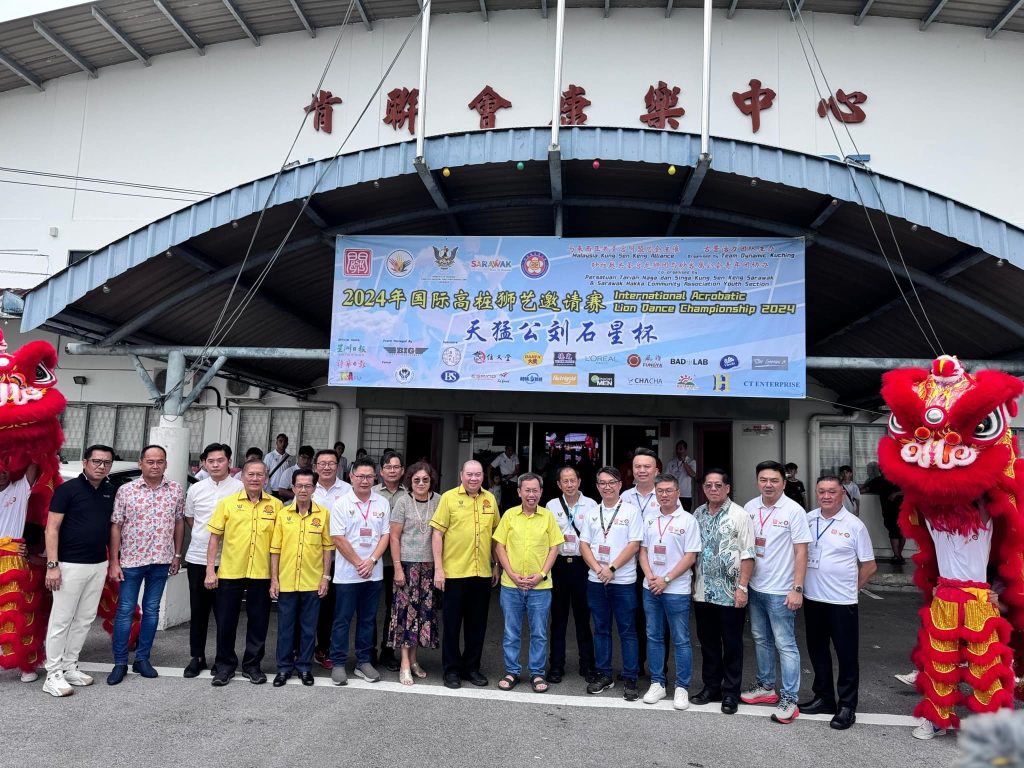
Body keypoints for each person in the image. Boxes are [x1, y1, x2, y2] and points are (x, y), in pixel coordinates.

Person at [798, 476, 877, 730]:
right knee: (817, 651)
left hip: (842, 603)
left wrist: (851, 589)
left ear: (842, 494)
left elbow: (869, 566)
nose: (826, 496)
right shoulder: (808, 519)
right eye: (821, 491)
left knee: (846, 656)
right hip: (813, 599)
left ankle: (847, 705)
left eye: (832, 491)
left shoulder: (854, 525)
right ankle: (823, 698)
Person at [106, 445, 185, 685]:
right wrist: (114, 561)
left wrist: (177, 555)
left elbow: (179, 522)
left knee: (152, 611)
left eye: (160, 461)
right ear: (141, 463)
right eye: (150, 461)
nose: (155, 466)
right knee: (125, 610)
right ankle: (120, 662)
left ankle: (142, 659)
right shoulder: (126, 491)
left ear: (166, 464)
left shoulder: (175, 490)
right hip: (131, 561)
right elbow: (116, 525)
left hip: (161, 560)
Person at [741, 460, 812, 724]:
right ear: (757, 481)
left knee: (786, 644)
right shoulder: (750, 507)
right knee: (761, 639)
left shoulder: (794, 511)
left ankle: (790, 699)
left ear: (784, 482)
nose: (768, 485)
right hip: (756, 587)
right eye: (763, 480)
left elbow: (801, 552)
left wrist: (797, 588)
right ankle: (766, 686)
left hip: (781, 591)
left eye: (774, 480)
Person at [42, 445, 116, 697]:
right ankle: (52, 673)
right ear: (85, 462)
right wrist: (53, 566)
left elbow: (112, 529)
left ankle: (69, 665)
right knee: (61, 620)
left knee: (85, 619)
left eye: (106, 463)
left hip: (98, 564)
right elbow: (51, 528)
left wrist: (112, 562)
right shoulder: (67, 490)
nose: (101, 466)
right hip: (69, 565)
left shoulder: (110, 490)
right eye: (96, 461)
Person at [205, 458, 281, 686]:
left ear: (266, 478)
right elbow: (214, 539)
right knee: (226, 621)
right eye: (251, 474)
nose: (255, 479)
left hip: (261, 573)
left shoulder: (276, 506)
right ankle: (224, 666)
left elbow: (278, 545)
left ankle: (252, 665)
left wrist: (275, 578)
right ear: (242, 476)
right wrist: (210, 570)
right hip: (231, 571)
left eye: (260, 474)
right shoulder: (227, 504)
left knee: (259, 622)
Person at [430, 460, 500, 690]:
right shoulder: (448, 498)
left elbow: (495, 535)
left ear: (483, 477)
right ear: (461, 475)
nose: (473, 478)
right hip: (454, 573)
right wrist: (439, 568)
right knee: (452, 625)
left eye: (478, 474)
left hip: (482, 572)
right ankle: (451, 670)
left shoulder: (490, 499)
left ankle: (471, 667)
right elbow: (437, 534)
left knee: (477, 625)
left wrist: (496, 564)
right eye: (469, 474)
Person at [492, 473, 563, 693]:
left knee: (539, 633)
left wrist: (541, 574)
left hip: (540, 587)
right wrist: (511, 573)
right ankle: (512, 671)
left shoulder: (548, 517)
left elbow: (554, 547)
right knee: (511, 632)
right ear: (519, 492)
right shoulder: (509, 515)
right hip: (511, 585)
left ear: (541, 492)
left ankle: (537, 673)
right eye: (527, 490)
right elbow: (499, 546)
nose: (531, 494)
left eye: (535, 490)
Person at [579, 466, 644, 701]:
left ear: (619, 485)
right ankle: (604, 674)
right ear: (597, 486)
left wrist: (612, 568)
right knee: (601, 629)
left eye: (611, 482)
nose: (607, 487)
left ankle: (631, 678)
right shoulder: (592, 513)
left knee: (628, 630)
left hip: (623, 581)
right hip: (596, 580)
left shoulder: (631, 511)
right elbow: (584, 545)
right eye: (602, 483)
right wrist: (599, 569)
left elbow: (634, 545)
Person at [692, 469, 754, 715]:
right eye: (708, 485)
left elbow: (748, 554)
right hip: (702, 591)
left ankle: (730, 692)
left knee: (732, 644)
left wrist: (742, 587)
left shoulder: (740, 515)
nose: (713, 489)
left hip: (730, 593)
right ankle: (711, 687)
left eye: (718, 485)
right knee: (708, 643)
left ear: (727, 488)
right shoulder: (698, 514)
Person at [638, 474, 701, 709]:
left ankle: (682, 687)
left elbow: (690, 556)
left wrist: (666, 579)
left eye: (668, 490)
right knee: (654, 635)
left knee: (681, 639)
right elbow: (643, 551)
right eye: (660, 491)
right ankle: (658, 683)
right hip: (651, 587)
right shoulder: (649, 519)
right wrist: (650, 576)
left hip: (676, 589)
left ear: (677, 492)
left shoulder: (688, 520)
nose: (664, 495)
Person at [182, 442, 243, 678]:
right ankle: (197, 657)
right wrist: (204, 539)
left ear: (229, 462)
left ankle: (223, 659)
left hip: (229, 560)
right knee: (199, 610)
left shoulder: (240, 488)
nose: (215, 465)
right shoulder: (196, 489)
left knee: (226, 614)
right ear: (204, 464)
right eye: (210, 461)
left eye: (220, 460)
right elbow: (190, 519)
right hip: (198, 558)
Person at [328, 457, 390, 685]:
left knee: (368, 619)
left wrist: (371, 561)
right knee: (342, 620)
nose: (365, 480)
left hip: (373, 573)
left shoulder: (382, 502)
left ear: (375, 478)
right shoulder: (341, 503)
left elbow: (385, 535)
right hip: (347, 575)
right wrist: (358, 563)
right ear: (351, 477)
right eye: (360, 476)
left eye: (369, 476)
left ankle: (364, 662)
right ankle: (338, 662)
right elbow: (338, 538)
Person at [270, 467, 332, 687]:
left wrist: (325, 577)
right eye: (299, 486)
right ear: (293, 488)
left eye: (308, 486)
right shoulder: (283, 514)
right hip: (286, 581)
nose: (303, 490)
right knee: (285, 628)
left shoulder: (323, 514)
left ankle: (305, 667)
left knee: (308, 628)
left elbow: (327, 548)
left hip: (312, 582)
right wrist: (274, 579)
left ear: (314, 488)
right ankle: (284, 668)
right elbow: (275, 549)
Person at [387, 461, 440, 686]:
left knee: (421, 615)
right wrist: (397, 567)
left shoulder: (438, 501)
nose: (421, 483)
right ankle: (404, 664)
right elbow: (394, 537)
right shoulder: (402, 501)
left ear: (431, 481)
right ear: (410, 481)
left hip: (428, 566)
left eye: (425, 480)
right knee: (405, 615)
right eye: (416, 479)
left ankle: (415, 659)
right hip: (407, 566)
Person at [545, 465, 598, 683]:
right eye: (564, 481)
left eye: (572, 480)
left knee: (583, 617)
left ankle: (587, 665)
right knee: (558, 618)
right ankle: (556, 665)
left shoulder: (592, 505)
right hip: (558, 566)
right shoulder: (551, 505)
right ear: (559, 484)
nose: (569, 484)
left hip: (581, 565)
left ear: (579, 481)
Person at [0, 463, 42, 683]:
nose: (1, 474)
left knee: (17, 613)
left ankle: (26, 664)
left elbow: (34, 462)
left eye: (4, 469)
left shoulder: (19, 488)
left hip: (13, 561)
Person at [311, 448, 352, 670]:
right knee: (308, 607)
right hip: (310, 560)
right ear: (315, 466)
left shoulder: (348, 490)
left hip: (339, 561)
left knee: (331, 609)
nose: (327, 467)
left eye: (331, 463)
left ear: (338, 466)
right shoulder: (307, 488)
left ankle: (324, 648)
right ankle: (302, 649)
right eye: (322, 463)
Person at [622, 447, 661, 676]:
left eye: (647, 466)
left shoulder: (665, 494)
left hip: (657, 569)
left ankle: (659, 669)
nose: (642, 470)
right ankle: (635, 666)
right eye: (638, 466)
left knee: (657, 621)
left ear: (656, 470)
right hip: (629, 567)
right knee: (633, 618)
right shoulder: (625, 497)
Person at [373, 450, 406, 671]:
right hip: (373, 560)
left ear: (402, 470)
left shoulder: (409, 494)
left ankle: (388, 651)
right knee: (370, 609)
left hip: (398, 562)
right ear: (381, 471)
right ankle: (368, 651)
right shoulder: (372, 492)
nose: (392, 471)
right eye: (388, 467)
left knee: (393, 608)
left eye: (396, 467)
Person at [863, 471, 905, 563]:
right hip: (890, 510)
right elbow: (866, 489)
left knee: (899, 532)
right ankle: (898, 555)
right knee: (896, 532)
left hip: (900, 510)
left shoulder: (898, 478)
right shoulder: (879, 480)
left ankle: (897, 555)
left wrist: (896, 494)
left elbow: (909, 491)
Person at [665, 440, 698, 512]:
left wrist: (684, 461)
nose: (678, 451)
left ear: (685, 450)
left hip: (685, 495)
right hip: (673, 494)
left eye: (680, 449)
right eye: (677, 449)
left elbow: (692, 474)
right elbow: (666, 477)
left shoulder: (691, 462)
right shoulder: (671, 462)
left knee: (685, 515)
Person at [489, 445, 520, 513]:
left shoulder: (515, 456)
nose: (510, 452)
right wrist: (490, 480)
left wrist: (511, 475)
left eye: (512, 450)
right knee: (504, 500)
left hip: (513, 480)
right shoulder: (500, 457)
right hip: (504, 481)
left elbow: (517, 468)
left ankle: (513, 515)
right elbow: (489, 468)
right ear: (505, 449)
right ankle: (504, 515)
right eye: (509, 450)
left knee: (514, 500)